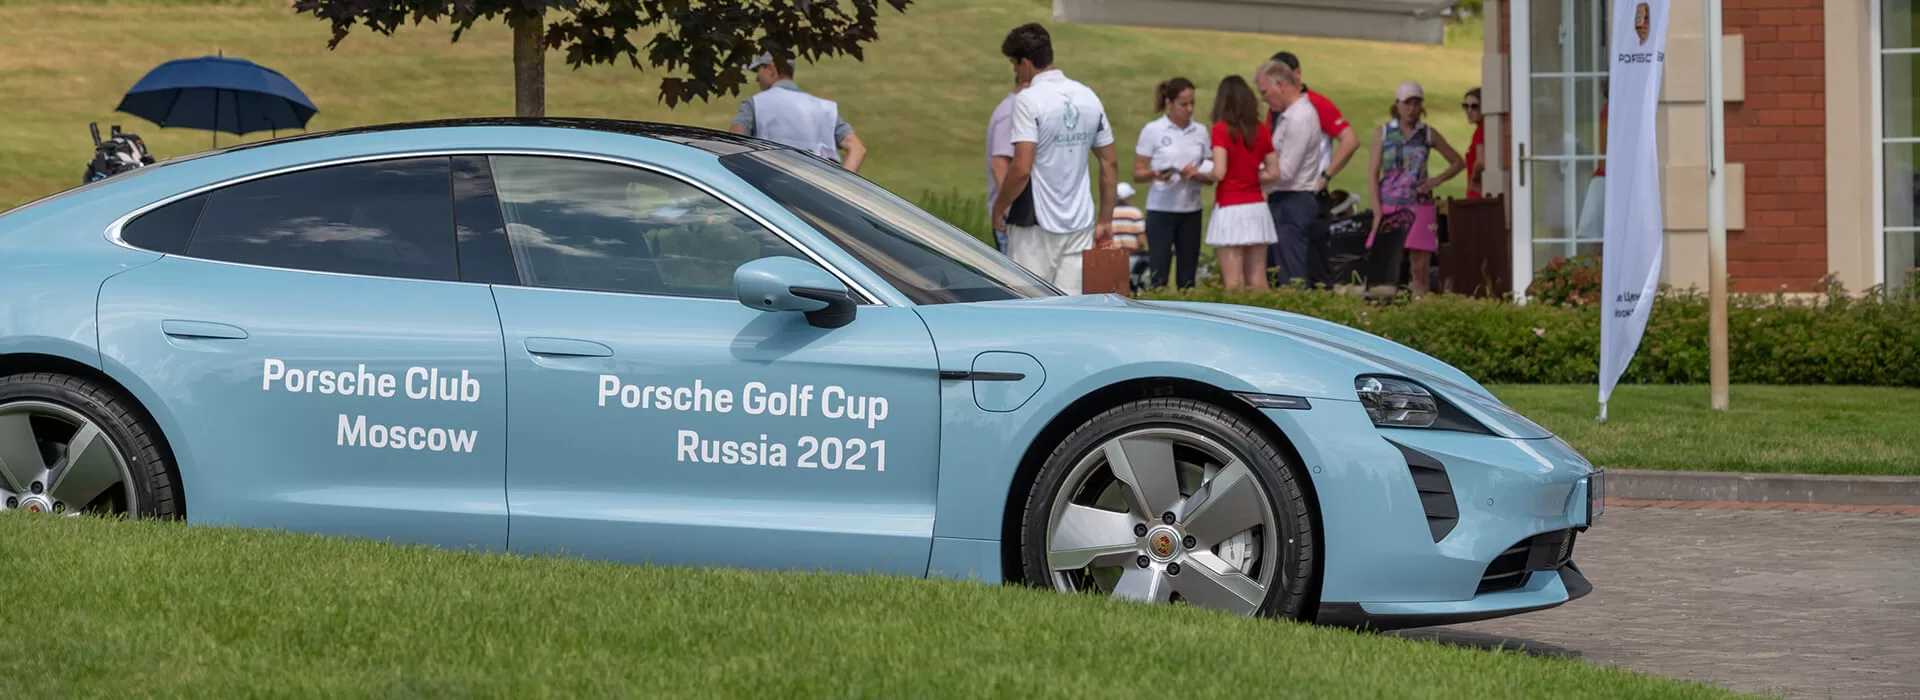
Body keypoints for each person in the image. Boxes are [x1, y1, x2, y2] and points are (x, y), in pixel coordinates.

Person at [991, 23, 1120, 294]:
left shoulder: (1028, 100)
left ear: (1025, 62)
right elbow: (1109, 162)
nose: (1015, 71)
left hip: (1034, 224)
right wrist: (1105, 220)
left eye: (1014, 64)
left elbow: (1022, 167)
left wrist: (999, 205)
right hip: (1079, 222)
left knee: (1028, 306)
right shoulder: (1088, 97)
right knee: (1069, 309)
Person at [1368, 82, 1465, 297]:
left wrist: (1435, 181)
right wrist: (1377, 211)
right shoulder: (1383, 133)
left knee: (1419, 266)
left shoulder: (1427, 134)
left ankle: (1419, 304)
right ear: (1397, 105)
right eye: (1407, 104)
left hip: (1420, 204)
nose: (1411, 109)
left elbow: (1457, 161)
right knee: (1384, 264)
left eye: (1416, 104)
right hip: (1390, 203)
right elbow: (1373, 174)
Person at [1193, 76, 1284, 290]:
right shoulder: (1260, 129)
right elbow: (1273, 172)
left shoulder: (1221, 130)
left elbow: (1219, 172)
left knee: (1234, 283)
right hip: (1256, 206)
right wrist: (1251, 174)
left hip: (1230, 206)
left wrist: (1198, 173)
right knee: (1259, 280)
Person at [729, 50, 868, 173]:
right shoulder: (825, 108)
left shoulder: (755, 104)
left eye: (758, 70)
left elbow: (733, 147)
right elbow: (857, 148)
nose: (757, 78)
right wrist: (842, 185)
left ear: (771, 68)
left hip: (769, 193)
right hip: (818, 194)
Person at [1132, 77, 1208, 288]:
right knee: (1159, 272)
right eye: (1183, 104)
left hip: (1191, 208)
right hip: (1162, 207)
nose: (1189, 109)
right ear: (1169, 103)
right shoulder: (1153, 130)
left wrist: (1198, 172)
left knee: (1187, 276)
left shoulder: (1200, 131)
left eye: (1192, 103)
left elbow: (1210, 166)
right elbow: (1138, 172)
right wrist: (1155, 173)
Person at [1255, 60, 1324, 285]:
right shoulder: (1290, 116)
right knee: (1279, 270)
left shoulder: (1299, 118)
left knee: (1290, 273)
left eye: (1265, 91)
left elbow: (1284, 171)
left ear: (1280, 85)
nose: (1263, 98)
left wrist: (1245, 174)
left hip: (1293, 200)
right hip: (1285, 200)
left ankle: (1293, 316)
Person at [1264, 52, 1358, 194]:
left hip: (1308, 191)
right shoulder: (1275, 108)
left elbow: (1350, 141)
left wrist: (1325, 177)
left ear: (1297, 74)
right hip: (1280, 189)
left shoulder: (1317, 104)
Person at [986, 75, 1033, 252]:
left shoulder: (1014, 107)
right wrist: (1007, 208)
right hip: (1012, 221)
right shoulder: (1013, 110)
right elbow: (1000, 163)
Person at [1463, 88, 1486, 198]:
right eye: (1466, 106)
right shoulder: (1484, 129)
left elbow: (1481, 162)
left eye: (1474, 106)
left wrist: (1474, 180)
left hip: (1476, 195)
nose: (1469, 110)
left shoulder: (1480, 132)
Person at [1112, 182, 1146, 251]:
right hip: (1132, 253)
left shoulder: (1109, 213)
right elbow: (1141, 239)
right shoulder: (1135, 213)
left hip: (1114, 254)